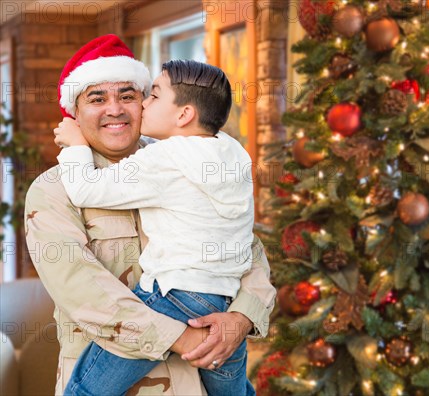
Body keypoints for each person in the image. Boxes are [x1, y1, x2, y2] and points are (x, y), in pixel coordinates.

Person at [24, 34, 275, 395]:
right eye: (97, 98)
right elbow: (81, 289)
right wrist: (185, 338)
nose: (115, 109)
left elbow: (243, 248)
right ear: (75, 113)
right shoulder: (53, 191)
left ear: (146, 103)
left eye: (128, 96)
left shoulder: (185, 160)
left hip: (194, 384)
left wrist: (242, 317)